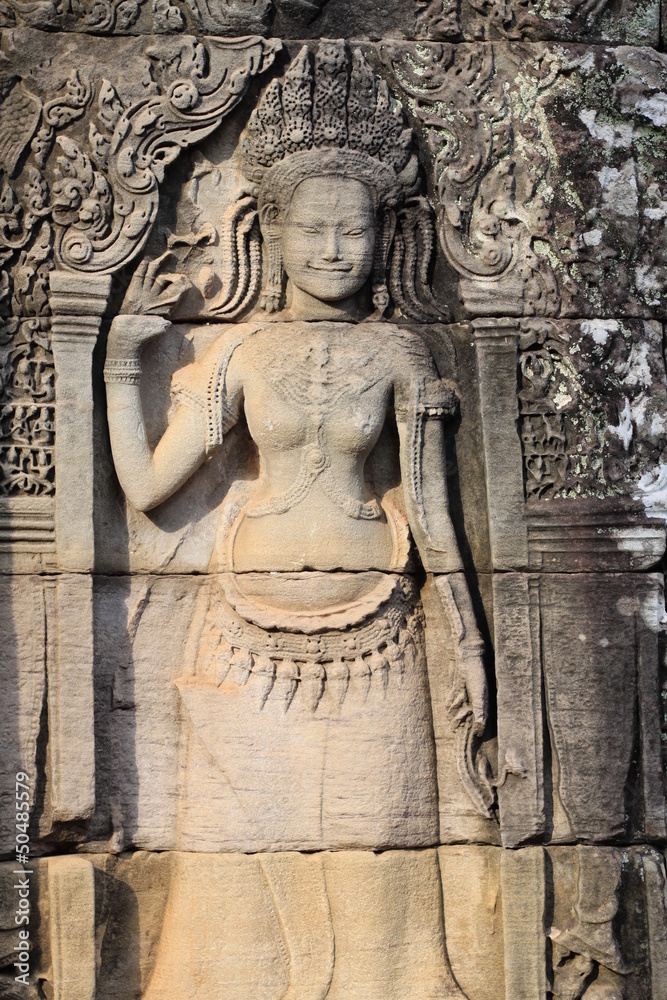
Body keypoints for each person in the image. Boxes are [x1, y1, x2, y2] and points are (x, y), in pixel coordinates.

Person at [104, 42, 488, 1000]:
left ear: (380, 238)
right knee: (233, 876)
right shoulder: (237, 357)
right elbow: (149, 490)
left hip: (381, 636)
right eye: (312, 230)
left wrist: (474, 651)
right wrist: (119, 365)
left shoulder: (399, 352)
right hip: (246, 634)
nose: (331, 251)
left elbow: (436, 519)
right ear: (269, 234)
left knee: (384, 877)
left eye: (351, 232)